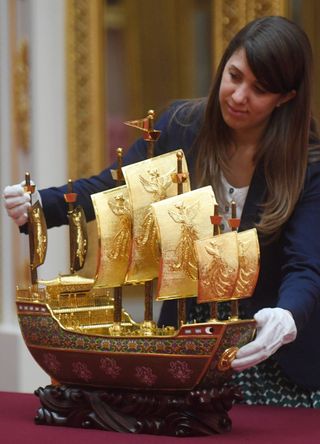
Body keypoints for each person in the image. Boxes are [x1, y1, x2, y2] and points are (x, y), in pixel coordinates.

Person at [3, 16, 320, 407]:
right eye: (234, 76)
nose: (238, 96)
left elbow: (305, 265)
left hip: (273, 358)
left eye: (259, 89)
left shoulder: (308, 163)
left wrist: (286, 317)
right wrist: (41, 204)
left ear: (285, 97)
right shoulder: (181, 126)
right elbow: (113, 186)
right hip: (185, 345)